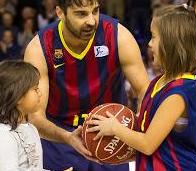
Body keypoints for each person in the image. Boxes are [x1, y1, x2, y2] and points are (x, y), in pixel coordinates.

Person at [24, 0, 149, 170]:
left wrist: (132, 132)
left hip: (111, 134)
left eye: (95, 11)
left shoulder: (118, 35)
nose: (91, 21)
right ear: (60, 13)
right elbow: (35, 117)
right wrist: (67, 137)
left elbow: (145, 92)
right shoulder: (39, 47)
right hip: (60, 139)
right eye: (81, 14)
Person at [87, 0, 196, 170]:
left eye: (154, 36)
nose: (150, 44)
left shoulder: (178, 93)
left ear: (171, 44)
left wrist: (114, 127)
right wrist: (111, 154)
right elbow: (148, 141)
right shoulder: (158, 82)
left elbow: (147, 144)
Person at [0, 60, 43, 170]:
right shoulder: (4, 135)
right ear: (18, 96)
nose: (40, 93)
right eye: (35, 89)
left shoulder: (32, 129)